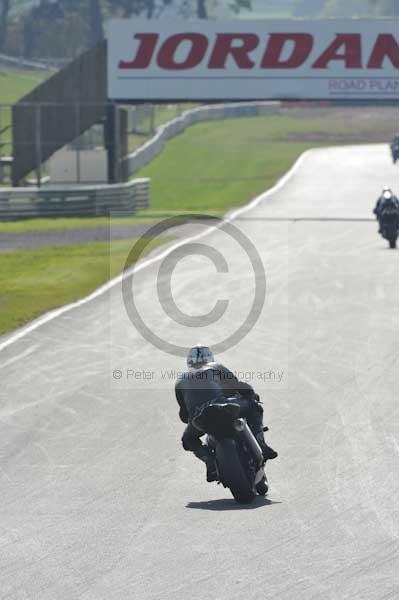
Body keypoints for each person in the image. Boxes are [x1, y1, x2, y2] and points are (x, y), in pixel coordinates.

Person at [175, 345, 278, 482]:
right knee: (254, 406)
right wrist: (250, 394)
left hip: (200, 418)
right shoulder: (216, 366)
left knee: (188, 439)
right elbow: (240, 386)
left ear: (189, 361)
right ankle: (261, 444)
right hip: (223, 407)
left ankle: (209, 461)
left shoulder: (180, 380)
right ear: (210, 357)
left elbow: (184, 415)